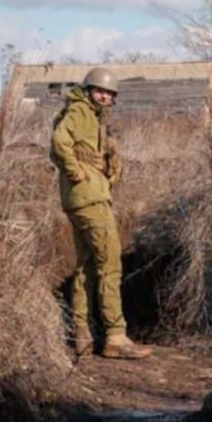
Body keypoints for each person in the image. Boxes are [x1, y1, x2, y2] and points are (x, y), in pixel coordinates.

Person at [50, 67, 151, 360]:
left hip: (81, 198)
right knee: (110, 263)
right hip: (89, 197)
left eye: (109, 93)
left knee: (86, 265)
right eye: (100, 91)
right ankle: (115, 336)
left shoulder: (89, 114)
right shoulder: (81, 111)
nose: (105, 96)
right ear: (89, 90)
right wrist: (78, 172)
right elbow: (59, 142)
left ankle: (80, 333)